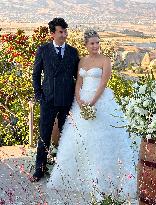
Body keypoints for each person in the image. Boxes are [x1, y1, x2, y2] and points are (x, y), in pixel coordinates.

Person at [47, 29, 138, 203]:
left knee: (101, 140)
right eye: (92, 43)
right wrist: (79, 100)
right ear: (86, 45)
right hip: (82, 102)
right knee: (77, 139)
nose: (95, 46)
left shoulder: (105, 60)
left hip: (100, 100)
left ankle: (102, 181)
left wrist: (92, 102)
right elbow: (78, 83)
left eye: (97, 42)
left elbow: (103, 83)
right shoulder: (82, 61)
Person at [31, 18, 79, 182]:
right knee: (44, 135)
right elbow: (36, 75)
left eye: (66, 31)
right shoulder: (43, 50)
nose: (64, 35)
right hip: (48, 100)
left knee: (66, 135)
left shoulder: (73, 52)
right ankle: (40, 169)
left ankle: (64, 168)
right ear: (52, 34)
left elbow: (78, 77)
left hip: (67, 100)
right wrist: (39, 95)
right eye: (61, 32)